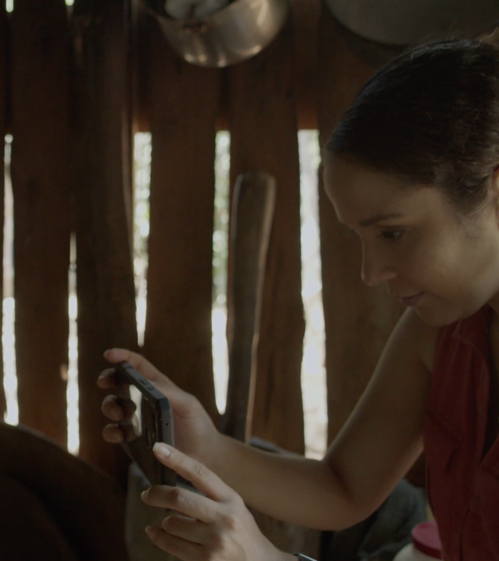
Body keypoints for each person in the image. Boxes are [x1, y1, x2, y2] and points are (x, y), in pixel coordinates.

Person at [100, 39, 499, 561]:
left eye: (393, 233)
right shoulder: (440, 331)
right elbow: (343, 486)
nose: (370, 272)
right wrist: (206, 446)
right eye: (360, 237)